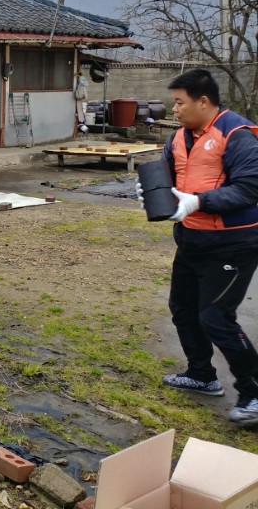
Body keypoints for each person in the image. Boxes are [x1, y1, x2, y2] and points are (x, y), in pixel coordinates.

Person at [136, 69, 258, 427]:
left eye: (179, 102)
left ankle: (254, 393)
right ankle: (202, 374)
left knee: (216, 317)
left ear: (203, 102)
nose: (174, 109)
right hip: (191, 239)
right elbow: (169, 178)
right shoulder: (178, 138)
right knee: (183, 308)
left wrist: (198, 202)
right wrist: (151, 193)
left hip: (232, 244)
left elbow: (250, 189)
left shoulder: (238, 134)